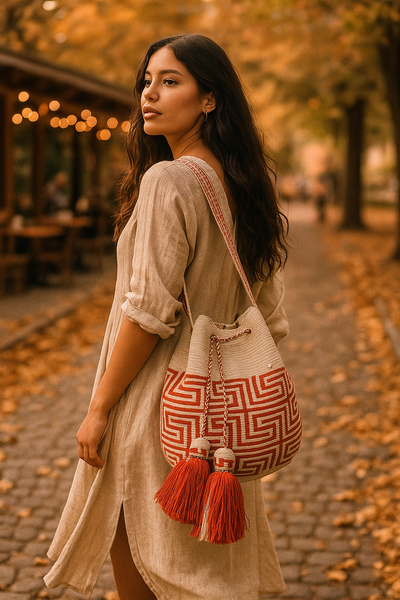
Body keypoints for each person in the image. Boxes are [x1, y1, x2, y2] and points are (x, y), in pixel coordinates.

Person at [44, 34, 290, 600]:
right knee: (201, 578)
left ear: (210, 98)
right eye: (146, 82)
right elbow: (271, 315)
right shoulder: (248, 186)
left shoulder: (169, 180)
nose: (149, 95)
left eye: (170, 81)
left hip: (160, 411)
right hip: (217, 422)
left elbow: (148, 314)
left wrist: (99, 409)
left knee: (144, 566)